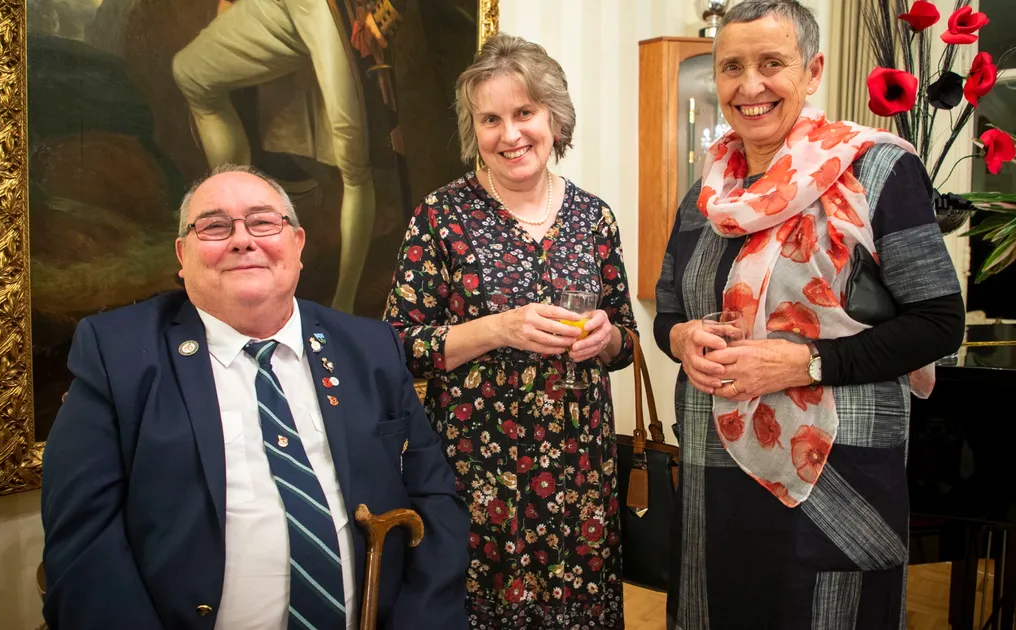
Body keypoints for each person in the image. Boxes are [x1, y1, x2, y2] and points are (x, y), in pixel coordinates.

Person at [41, 164, 470, 630]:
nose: (243, 240)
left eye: (263, 222)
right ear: (182, 255)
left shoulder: (371, 349)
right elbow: (85, 545)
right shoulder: (117, 355)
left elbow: (434, 501)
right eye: (214, 226)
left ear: (298, 245)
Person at [652, 1, 965, 628]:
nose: (749, 86)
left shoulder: (879, 171)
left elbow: (938, 321)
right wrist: (681, 335)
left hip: (838, 477)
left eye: (772, 63)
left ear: (813, 70)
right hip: (718, 476)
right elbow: (665, 312)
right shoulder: (706, 195)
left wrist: (805, 362)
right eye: (731, 67)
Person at [383, 33, 638, 629]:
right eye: (491, 119)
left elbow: (625, 337)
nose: (511, 134)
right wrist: (497, 328)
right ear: (475, 129)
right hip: (481, 470)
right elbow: (398, 344)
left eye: (525, 113)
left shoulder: (592, 216)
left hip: (582, 469)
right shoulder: (441, 215)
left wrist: (606, 339)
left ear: (554, 117)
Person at [172, 0, 403, 314]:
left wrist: (384, 9)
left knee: (353, 164)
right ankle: (232, 223)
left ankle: (344, 305)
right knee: (190, 72)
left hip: (327, 9)